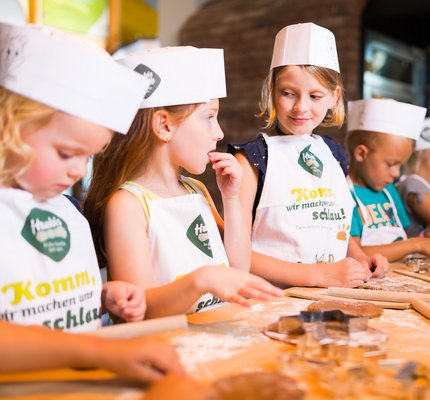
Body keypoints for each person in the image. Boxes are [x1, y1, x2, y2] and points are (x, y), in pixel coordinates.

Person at [0, 22, 182, 380]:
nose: (75, 172)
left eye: (87, 157)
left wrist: (101, 297)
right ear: (8, 125)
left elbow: (36, 296)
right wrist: (101, 350)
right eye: (66, 152)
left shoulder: (68, 211)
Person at [84, 46, 283, 319]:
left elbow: (238, 268)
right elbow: (137, 309)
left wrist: (232, 199)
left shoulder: (196, 190)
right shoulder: (127, 205)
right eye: (209, 117)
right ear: (164, 126)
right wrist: (200, 281)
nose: (219, 132)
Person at [229, 23, 386, 289]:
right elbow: (235, 255)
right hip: (271, 301)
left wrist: (360, 258)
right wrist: (318, 275)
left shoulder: (335, 155)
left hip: (333, 294)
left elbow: (334, 228)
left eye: (315, 96)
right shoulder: (252, 159)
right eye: (288, 93)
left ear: (334, 97)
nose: (301, 107)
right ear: (272, 90)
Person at [346, 99, 430, 262]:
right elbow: (356, 252)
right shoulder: (344, 194)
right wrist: (417, 244)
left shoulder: (388, 190)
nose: (396, 174)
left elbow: (407, 233)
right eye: (390, 164)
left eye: (401, 166)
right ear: (361, 153)